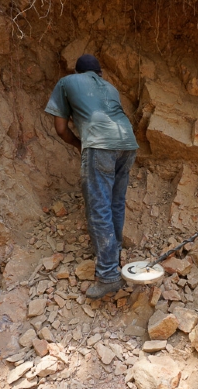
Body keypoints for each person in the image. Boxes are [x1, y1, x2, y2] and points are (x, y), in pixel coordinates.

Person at [45, 54, 139, 299]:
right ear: (100, 74)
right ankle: (113, 254)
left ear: (79, 73)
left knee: (99, 207)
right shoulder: (110, 87)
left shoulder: (67, 82)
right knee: (115, 203)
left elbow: (61, 128)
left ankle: (108, 275)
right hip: (128, 142)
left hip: (100, 145)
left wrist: (79, 145)